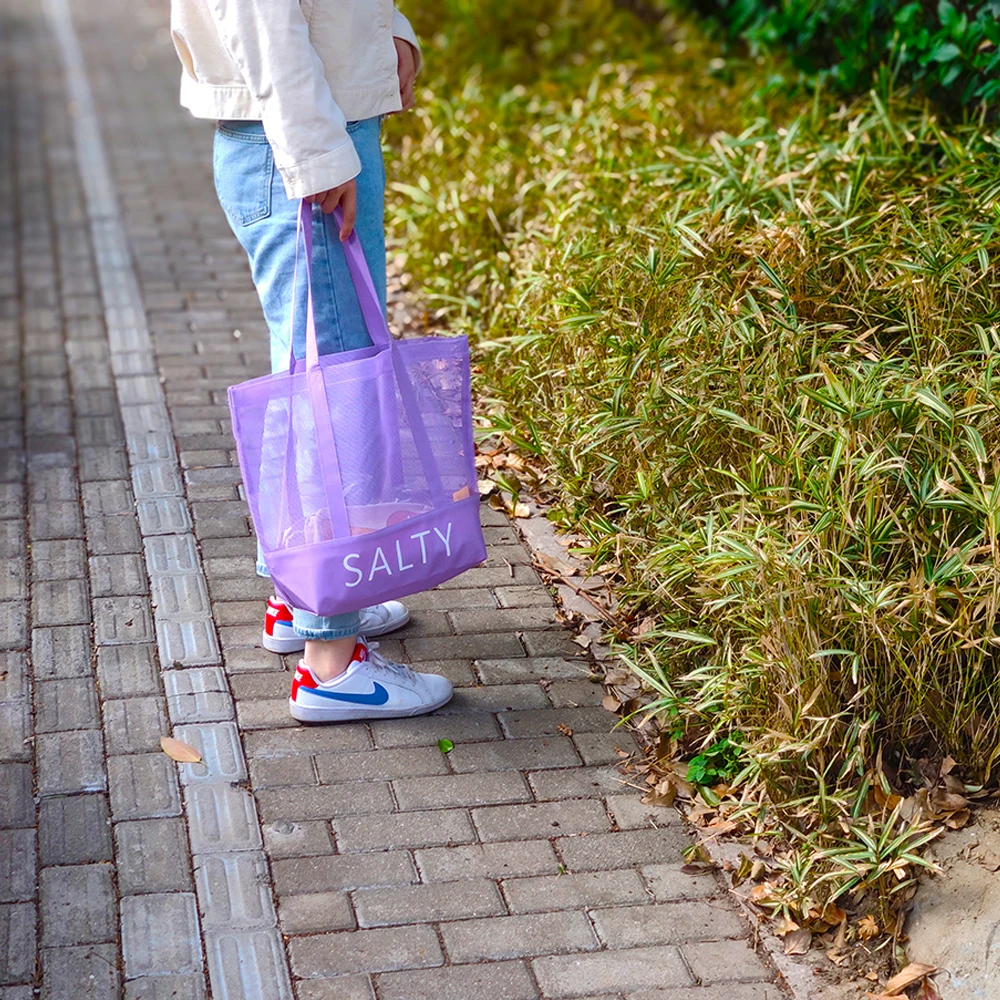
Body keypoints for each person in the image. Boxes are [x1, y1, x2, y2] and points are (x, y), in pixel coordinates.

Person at [170, 0, 453, 722]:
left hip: (305, 129)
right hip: (299, 138)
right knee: (335, 396)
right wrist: (321, 152)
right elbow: (259, 16)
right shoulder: (310, 145)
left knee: (313, 383)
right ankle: (332, 663)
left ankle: (300, 600)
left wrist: (389, 33)